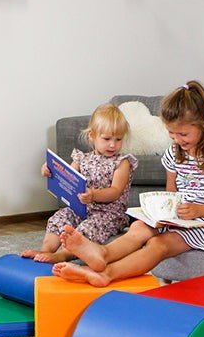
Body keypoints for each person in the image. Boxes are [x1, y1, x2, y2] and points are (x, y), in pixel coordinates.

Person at [53, 81, 204, 286]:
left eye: (183, 134)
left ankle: (107, 274)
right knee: (138, 227)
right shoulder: (174, 154)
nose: (177, 140)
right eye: (171, 134)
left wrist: (199, 210)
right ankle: (102, 254)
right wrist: (162, 214)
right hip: (181, 216)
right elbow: (171, 195)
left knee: (159, 243)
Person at [22, 103, 138, 263]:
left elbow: (115, 191)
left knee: (86, 229)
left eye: (118, 139)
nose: (113, 144)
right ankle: (46, 250)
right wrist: (49, 171)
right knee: (59, 218)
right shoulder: (82, 158)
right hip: (81, 209)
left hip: (109, 214)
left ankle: (63, 255)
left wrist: (94, 195)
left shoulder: (122, 162)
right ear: (92, 136)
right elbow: (67, 176)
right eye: (107, 139)